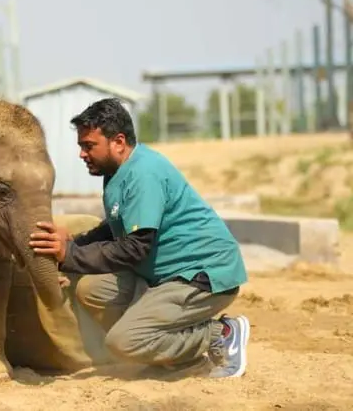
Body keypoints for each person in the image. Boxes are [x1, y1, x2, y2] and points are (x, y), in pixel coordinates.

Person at [29, 97, 250, 379]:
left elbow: (135, 248)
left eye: (89, 146)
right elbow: (115, 227)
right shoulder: (117, 173)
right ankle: (179, 358)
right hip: (165, 276)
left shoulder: (144, 173)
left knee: (124, 342)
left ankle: (221, 334)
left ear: (118, 142)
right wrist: (74, 242)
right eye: (81, 146)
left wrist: (70, 255)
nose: (82, 154)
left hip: (201, 276)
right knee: (93, 290)